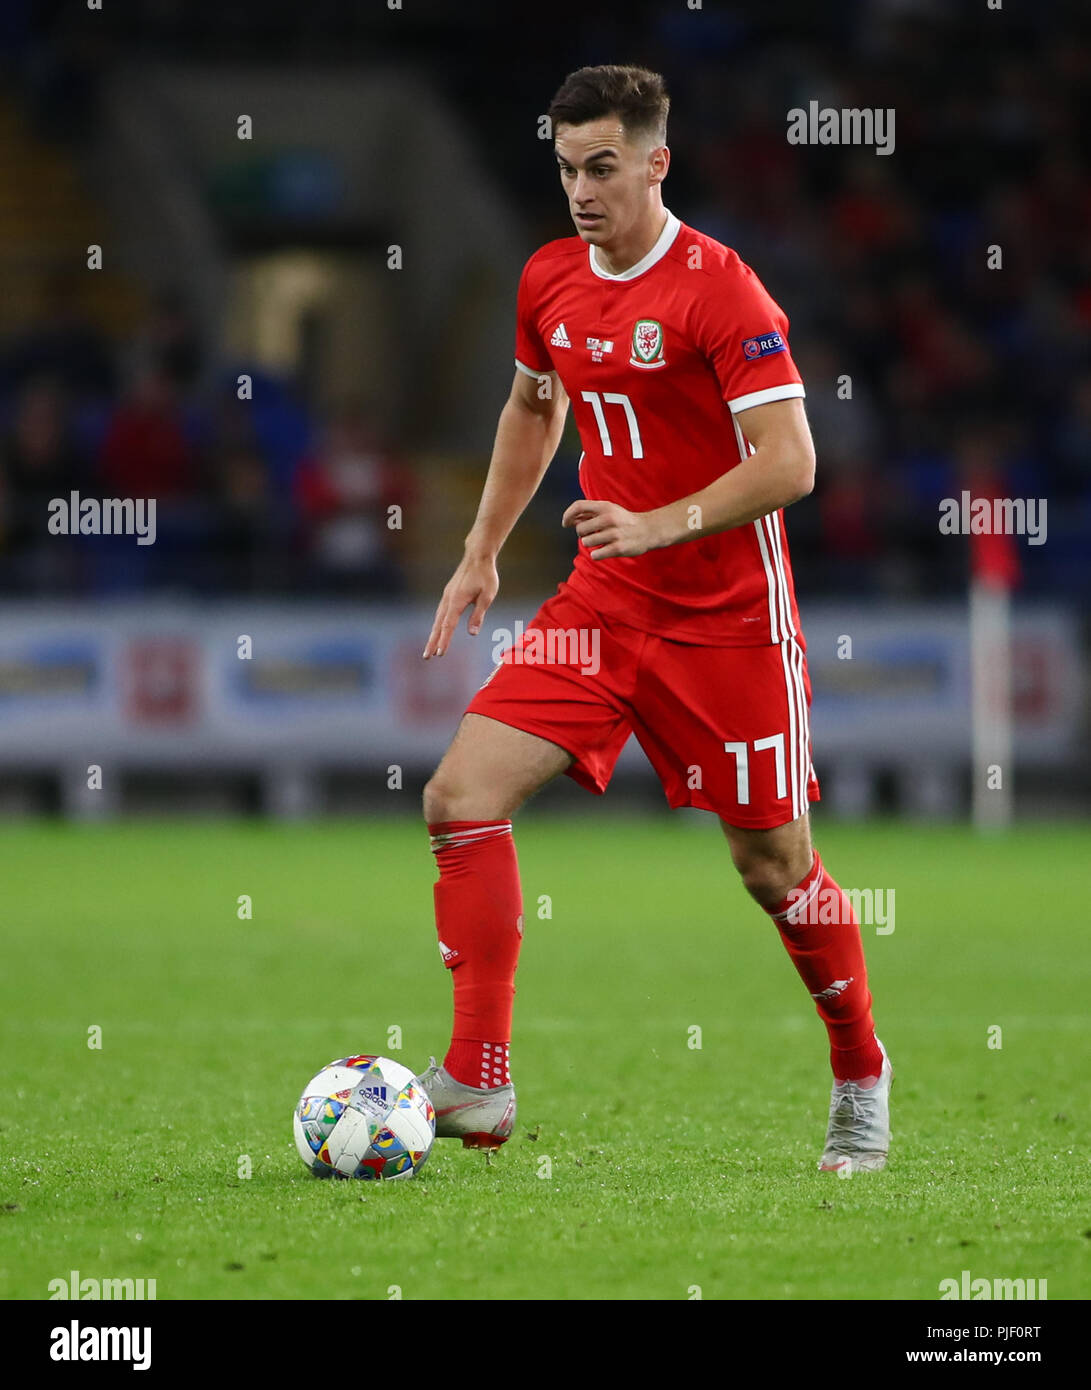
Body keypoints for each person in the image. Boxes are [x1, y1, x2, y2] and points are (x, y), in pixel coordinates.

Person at [418, 65, 892, 1173]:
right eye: (564, 167)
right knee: (457, 795)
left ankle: (859, 1072)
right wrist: (480, 551)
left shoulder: (722, 291)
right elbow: (532, 409)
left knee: (772, 869)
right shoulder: (548, 278)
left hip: (727, 621)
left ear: (652, 161)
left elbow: (790, 463)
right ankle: (478, 1081)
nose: (580, 190)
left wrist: (659, 521)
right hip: (603, 604)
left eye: (600, 167)